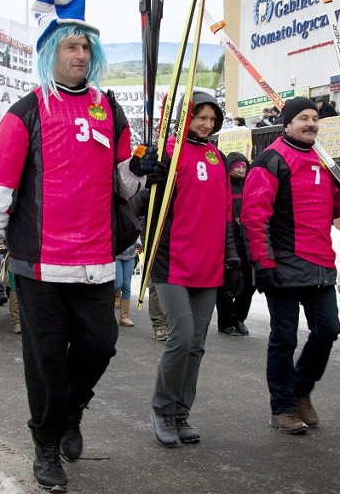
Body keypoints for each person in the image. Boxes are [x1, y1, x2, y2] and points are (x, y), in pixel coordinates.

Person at [0, 0, 143, 491]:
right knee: (44, 360)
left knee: (101, 345)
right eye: (70, 46)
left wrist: (143, 170)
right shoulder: (26, 111)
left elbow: (125, 184)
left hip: (96, 260)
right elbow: (0, 187)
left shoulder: (110, 109)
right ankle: (46, 445)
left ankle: (70, 411)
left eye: (86, 47)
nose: (80, 55)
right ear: (50, 53)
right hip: (38, 263)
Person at [240, 96, 340, 435]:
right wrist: (263, 263)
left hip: (320, 264)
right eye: (303, 118)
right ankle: (283, 408)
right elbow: (254, 215)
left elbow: (333, 207)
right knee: (283, 339)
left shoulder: (323, 159)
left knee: (328, 330)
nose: (310, 124)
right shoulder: (271, 160)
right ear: (287, 124)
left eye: (315, 118)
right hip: (284, 266)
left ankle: (301, 390)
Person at [135, 91, 241, 448]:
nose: (207, 125)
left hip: (208, 265)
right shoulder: (167, 151)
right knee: (179, 339)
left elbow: (226, 215)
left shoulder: (217, 157)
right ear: (186, 117)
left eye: (213, 119)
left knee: (196, 345)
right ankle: (162, 409)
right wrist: (153, 179)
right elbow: (138, 203)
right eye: (201, 117)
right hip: (172, 261)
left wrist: (232, 257)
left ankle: (181, 412)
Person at [215, 152, 256, 336]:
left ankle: (238, 317)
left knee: (249, 284)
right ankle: (225, 322)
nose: (241, 170)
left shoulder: (250, 186)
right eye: (237, 167)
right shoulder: (224, 186)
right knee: (227, 285)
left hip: (248, 243)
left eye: (243, 166)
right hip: (229, 243)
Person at [114, 239, 140, 327]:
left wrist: (139, 242)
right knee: (118, 284)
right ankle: (105, 310)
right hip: (116, 254)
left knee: (127, 285)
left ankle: (124, 317)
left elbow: (138, 228)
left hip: (131, 254)